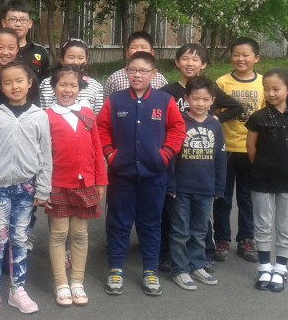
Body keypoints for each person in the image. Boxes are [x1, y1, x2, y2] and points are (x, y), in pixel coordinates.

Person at [97, 52, 186, 297]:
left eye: (143, 71)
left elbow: (178, 129)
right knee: (119, 223)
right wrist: (110, 155)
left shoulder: (164, 100)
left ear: (153, 74)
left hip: (155, 175)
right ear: (126, 71)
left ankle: (150, 270)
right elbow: (101, 129)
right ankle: (116, 269)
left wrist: (165, 154)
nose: (137, 75)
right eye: (132, 70)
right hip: (121, 175)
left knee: (150, 223)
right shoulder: (114, 101)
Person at [159, 43, 242, 273]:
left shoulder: (209, 89)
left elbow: (236, 107)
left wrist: (216, 120)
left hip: (203, 175)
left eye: (195, 59)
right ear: (177, 62)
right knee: (174, 219)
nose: (190, 63)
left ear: (203, 64)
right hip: (179, 166)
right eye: (185, 58)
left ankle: (203, 257)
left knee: (201, 222)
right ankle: (171, 257)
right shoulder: (167, 92)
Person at [0, 61, 52, 317]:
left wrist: (43, 189)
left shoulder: (40, 116)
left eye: (19, 80)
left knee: (20, 238)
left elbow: (45, 154)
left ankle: (17, 289)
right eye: (8, 82)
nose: (15, 86)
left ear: (30, 83)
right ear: (1, 87)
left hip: (26, 188)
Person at [45, 64, 107, 307]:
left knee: (80, 234)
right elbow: (42, 155)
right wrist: (42, 187)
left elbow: (97, 149)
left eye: (73, 85)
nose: (68, 89)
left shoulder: (87, 113)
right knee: (58, 234)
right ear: (54, 87)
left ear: (79, 88)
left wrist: (101, 181)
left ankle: (77, 282)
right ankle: (61, 283)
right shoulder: (46, 116)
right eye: (63, 84)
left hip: (86, 183)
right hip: (57, 184)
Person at [246, 68, 288, 292]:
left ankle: (281, 268)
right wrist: (262, 168)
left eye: (276, 89)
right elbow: (251, 148)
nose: (271, 93)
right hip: (263, 178)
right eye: (266, 89)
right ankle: (264, 266)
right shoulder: (258, 118)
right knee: (262, 224)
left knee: (285, 226)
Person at [166, 77, 226, 291]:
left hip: (206, 188)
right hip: (181, 189)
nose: (200, 103)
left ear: (212, 101)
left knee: (200, 231)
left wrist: (219, 187)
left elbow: (220, 159)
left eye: (205, 99)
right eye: (195, 98)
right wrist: (171, 184)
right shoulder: (179, 122)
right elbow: (171, 157)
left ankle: (197, 265)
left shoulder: (215, 125)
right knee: (180, 231)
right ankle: (180, 269)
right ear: (186, 98)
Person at [213, 37, 265, 264]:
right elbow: (213, 114)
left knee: (247, 198)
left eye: (245, 55)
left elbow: (267, 117)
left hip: (251, 150)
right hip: (224, 149)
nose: (240, 59)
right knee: (222, 198)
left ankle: (246, 239)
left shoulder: (263, 83)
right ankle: (221, 239)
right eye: (236, 54)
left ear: (256, 58)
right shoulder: (222, 82)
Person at [0, 0, 51, 83]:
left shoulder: (40, 51)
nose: (18, 24)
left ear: (30, 23)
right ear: (4, 23)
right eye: (13, 19)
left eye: (23, 20)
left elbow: (46, 83)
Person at [39, 38, 105, 114]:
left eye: (80, 58)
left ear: (86, 60)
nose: (76, 62)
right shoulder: (46, 84)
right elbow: (42, 114)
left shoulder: (96, 87)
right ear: (62, 59)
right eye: (71, 57)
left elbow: (97, 117)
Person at [103, 31, 168, 97]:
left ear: (152, 53)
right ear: (127, 53)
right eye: (134, 47)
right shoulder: (114, 78)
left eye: (143, 47)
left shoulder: (160, 80)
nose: (138, 50)